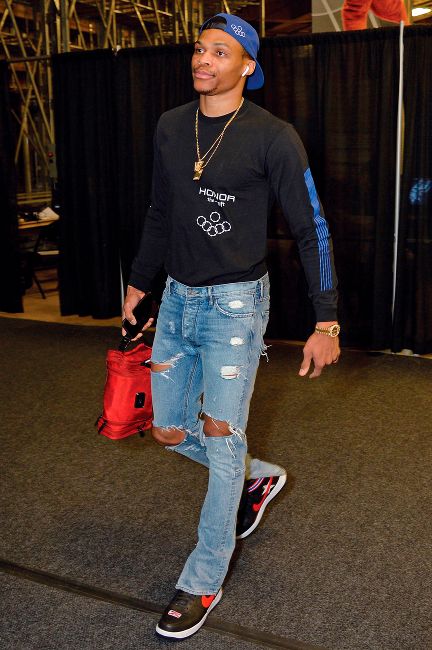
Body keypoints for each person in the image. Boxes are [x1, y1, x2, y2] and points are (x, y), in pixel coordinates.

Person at [122, 13, 340, 640]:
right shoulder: (172, 126)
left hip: (236, 309)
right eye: (199, 48)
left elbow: (311, 228)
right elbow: (161, 210)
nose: (203, 59)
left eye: (220, 52)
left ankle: (202, 579)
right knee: (167, 429)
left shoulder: (273, 136)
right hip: (177, 299)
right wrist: (140, 281)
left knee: (220, 439)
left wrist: (327, 319)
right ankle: (256, 474)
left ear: (248, 67)